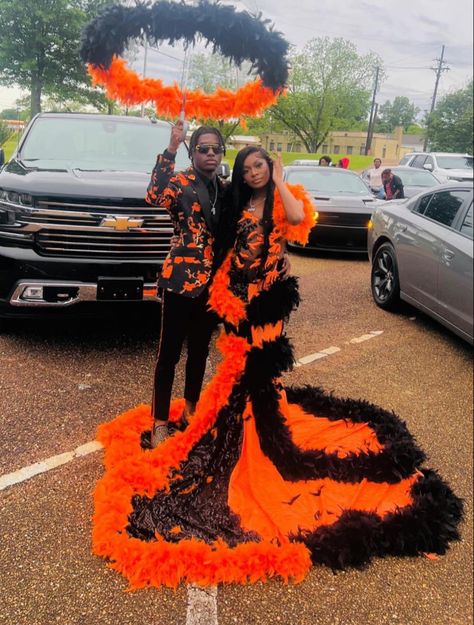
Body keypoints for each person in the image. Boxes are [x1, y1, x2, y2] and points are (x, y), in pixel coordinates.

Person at [92, 145, 462, 589]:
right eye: (247, 169)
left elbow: (302, 223)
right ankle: (238, 427)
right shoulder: (236, 200)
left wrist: (282, 181)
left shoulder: (284, 198)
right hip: (237, 295)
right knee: (236, 366)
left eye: (259, 167)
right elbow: (218, 237)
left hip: (269, 297)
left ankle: (258, 436)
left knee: (261, 368)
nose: (252, 174)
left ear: (270, 167)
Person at [145, 120, 230, 447]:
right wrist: (170, 148)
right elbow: (152, 195)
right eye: (203, 148)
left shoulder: (225, 189)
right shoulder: (179, 182)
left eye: (215, 149)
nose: (210, 153)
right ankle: (160, 423)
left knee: (199, 351)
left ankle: (191, 410)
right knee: (168, 354)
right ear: (192, 152)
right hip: (180, 281)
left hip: (213, 286)